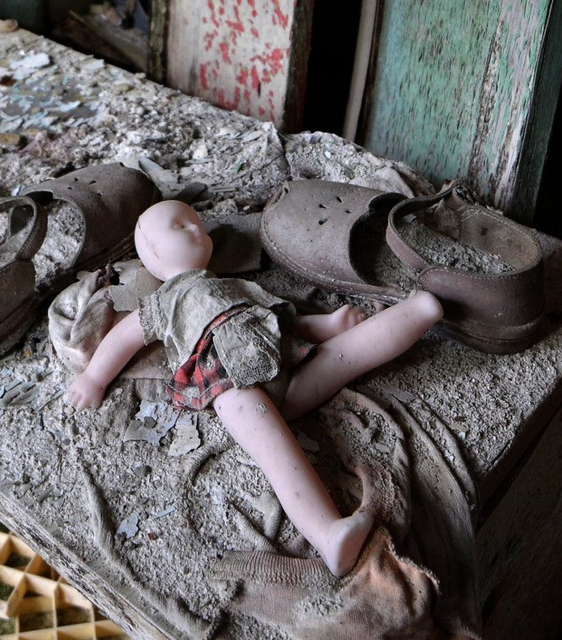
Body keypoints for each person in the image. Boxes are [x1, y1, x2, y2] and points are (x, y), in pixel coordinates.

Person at [68, 200, 443, 575]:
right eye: (179, 226)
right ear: (151, 249)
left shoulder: (235, 285)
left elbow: (283, 320)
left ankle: (420, 311)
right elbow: (124, 338)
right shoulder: (166, 300)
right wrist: (94, 377)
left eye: (196, 222)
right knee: (274, 450)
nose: (196, 228)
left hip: (285, 363)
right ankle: (328, 534)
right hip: (230, 386)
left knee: (346, 354)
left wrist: (329, 325)